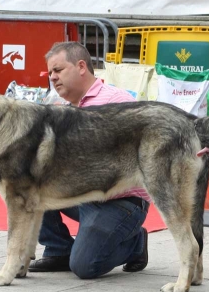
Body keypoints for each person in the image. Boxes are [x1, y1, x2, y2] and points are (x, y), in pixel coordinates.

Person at [28, 42, 150, 277]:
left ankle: (135, 244)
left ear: (81, 66)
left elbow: (129, 158)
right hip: (82, 195)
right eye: (50, 72)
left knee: (85, 267)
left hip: (120, 201)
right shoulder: (59, 108)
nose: (52, 77)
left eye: (58, 70)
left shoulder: (116, 101)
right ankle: (58, 249)